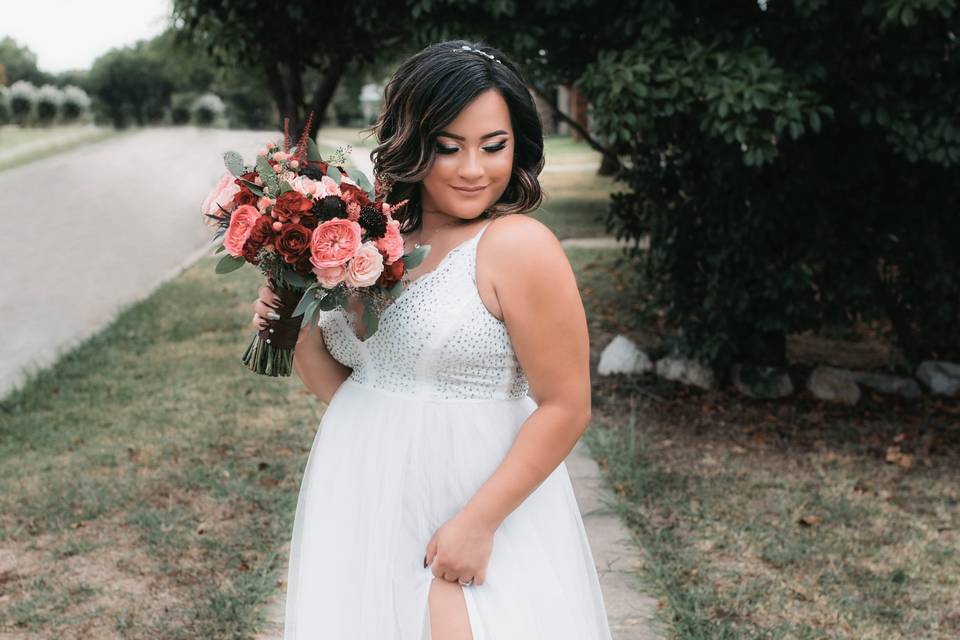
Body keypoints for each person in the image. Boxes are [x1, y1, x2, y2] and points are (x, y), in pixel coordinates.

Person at [251, 39, 613, 640]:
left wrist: (478, 523)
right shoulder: (376, 238)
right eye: (448, 148)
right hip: (365, 481)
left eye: (493, 147)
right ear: (411, 145)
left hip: (475, 493)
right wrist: (291, 315)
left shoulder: (518, 247)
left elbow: (566, 406)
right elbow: (349, 387)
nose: (474, 169)